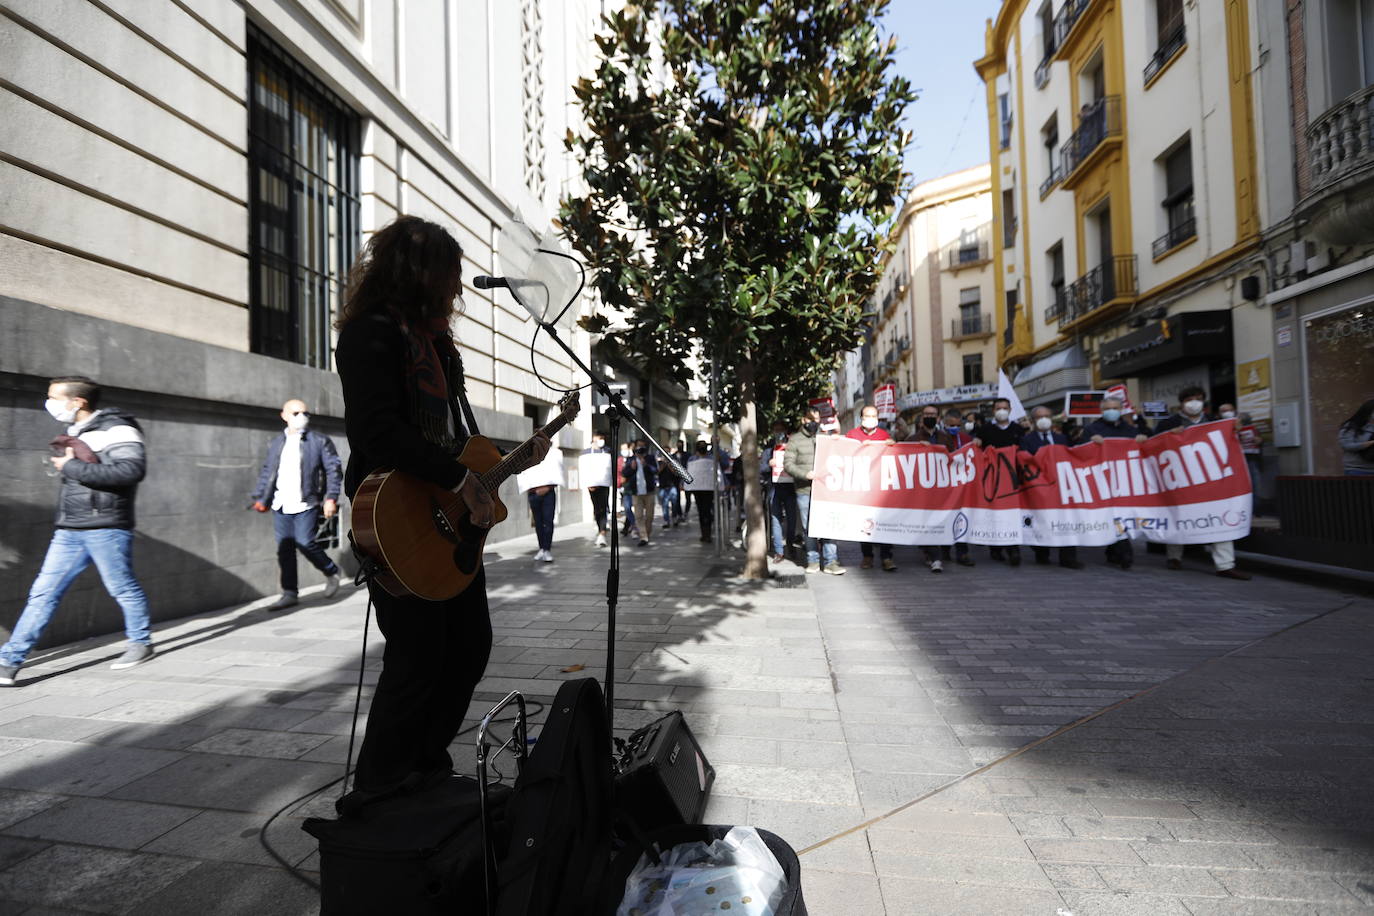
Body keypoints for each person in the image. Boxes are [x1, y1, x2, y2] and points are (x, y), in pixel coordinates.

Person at [333, 216, 551, 813]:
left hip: (448, 517)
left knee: (469, 645)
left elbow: (456, 441)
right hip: (395, 513)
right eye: (451, 277)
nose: (458, 291)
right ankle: (379, 781)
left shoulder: (438, 346)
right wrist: (458, 477)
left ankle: (425, 763)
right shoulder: (371, 334)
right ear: (420, 273)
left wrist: (501, 464)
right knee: (418, 653)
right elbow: (377, 431)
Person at [0, 376, 154, 686]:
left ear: (78, 402)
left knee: (121, 588)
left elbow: (131, 471)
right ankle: (9, 661)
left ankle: (141, 643)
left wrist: (70, 467)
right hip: (70, 527)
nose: (49, 403)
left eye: (54, 397)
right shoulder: (78, 430)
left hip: (106, 526)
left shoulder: (118, 429)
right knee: (43, 593)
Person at [250, 398, 344, 610]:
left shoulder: (319, 441)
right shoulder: (276, 443)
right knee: (285, 549)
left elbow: (334, 470)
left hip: (306, 502)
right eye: (295, 413)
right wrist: (261, 498)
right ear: (283, 415)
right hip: (280, 504)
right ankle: (290, 592)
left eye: (305, 413)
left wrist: (331, 498)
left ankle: (331, 570)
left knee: (305, 541)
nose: (301, 417)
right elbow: (268, 471)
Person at [1152, 386, 1250, 579]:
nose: (1194, 403)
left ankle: (1225, 564)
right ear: (1181, 403)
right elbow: (1153, 445)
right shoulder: (1168, 424)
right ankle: (1174, 556)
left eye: (1198, 399)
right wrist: (1169, 436)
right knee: (1178, 516)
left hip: (1211, 479)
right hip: (1181, 480)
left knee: (1219, 518)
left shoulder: (1215, 422)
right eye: (1189, 399)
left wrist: (1235, 430)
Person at [1083, 396, 1149, 570]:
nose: (1111, 411)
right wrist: (1090, 443)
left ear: (1121, 410)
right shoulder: (1091, 429)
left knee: (1121, 514)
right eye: (1107, 408)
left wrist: (1143, 438)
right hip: (1102, 480)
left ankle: (1122, 552)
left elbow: (1147, 444)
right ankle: (1119, 551)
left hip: (1125, 480)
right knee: (1112, 515)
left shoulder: (1130, 429)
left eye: (1115, 408)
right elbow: (1080, 452)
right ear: (1102, 411)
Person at [784, 405, 844, 574]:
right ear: (804, 420)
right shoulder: (795, 440)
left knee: (829, 525)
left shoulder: (825, 438)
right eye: (811, 419)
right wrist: (805, 474)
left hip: (825, 491)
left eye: (817, 420)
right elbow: (788, 464)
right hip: (804, 491)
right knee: (808, 527)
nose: (814, 423)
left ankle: (831, 562)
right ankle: (812, 561)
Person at [1022, 406, 1083, 570]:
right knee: (1042, 521)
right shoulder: (1027, 440)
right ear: (1033, 421)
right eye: (1040, 417)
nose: (1044, 419)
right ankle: (1042, 553)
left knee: (1067, 521)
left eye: (1047, 416)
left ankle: (1068, 558)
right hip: (1040, 489)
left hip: (1062, 488)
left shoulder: (1062, 438)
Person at [907, 404, 959, 573]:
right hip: (922, 489)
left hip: (942, 487)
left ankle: (940, 552)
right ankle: (934, 556)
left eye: (933, 414)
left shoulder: (945, 438)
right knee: (926, 521)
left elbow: (953, 458)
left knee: (941, 520)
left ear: (938, 418)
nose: (929, 416)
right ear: (922, 418)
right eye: (926, 414)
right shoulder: (913, 439)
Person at [974, 397, 1025, 566]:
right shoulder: (985, 429)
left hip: (1013, 479)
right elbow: (978, 450)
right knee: (995, 513)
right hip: (993, 479)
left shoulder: (1018, 429)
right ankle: (995, 548)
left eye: (1004, 407)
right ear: (993, 411)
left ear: (1010, 410)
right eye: (998, 408)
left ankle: (1013, 549)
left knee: (1012, 513)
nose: (1001, 410)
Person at [847, 405, 896, 571]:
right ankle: (867, 556)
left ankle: (887, 557)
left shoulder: (884, 435)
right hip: (862, 488)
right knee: (865, 523)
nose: (871, 418)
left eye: (874, 415)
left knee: (884, 521)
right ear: (861, 418)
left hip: (880, 487)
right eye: (867, 416)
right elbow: (844, 455)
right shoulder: (852, 435)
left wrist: (892, 446)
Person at [518, 443, 563, 563]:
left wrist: (548, 487)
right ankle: (541, 548)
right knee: (538, 522)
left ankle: (547, 549)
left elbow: (558, 471)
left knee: (548, 521)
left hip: (549, 492)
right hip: (533, 493)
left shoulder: (554, 454)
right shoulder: (528, 452)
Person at [765, 421, 798, 562]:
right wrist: (769, 464)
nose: (778, 432)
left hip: (791, 488)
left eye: (781, 430)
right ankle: (779, 551)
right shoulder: (768, 448)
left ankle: (790, 544)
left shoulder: (793, 446)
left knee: (792, 520)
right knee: (775, 519)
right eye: (776, 430)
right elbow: (762, 468)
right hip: (775, 488)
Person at [621, 441, 658, 547]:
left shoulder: (650, 458)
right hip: (636, 492)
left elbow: (655, 470)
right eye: (638, 447)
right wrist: (631, 468)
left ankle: (647, 533)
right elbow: (624, 473)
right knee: (638, 516)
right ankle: (643, 537)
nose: (640, 449)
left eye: (642, 446)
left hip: (649, 491)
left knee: (650, 516)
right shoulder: (630, 459)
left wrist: (646, 465)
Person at [580, 433, 613, 547]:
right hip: (591, 486)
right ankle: (600, 529)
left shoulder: (607, 451)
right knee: (596, 508)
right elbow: (585, 469)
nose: (600, 441)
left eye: (602, 438)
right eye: (598, 439)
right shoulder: (586, 453)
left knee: (603, 507)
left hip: (603, 486)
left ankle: (602, 533)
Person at [685, 441, 718, 542]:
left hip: (708, 488)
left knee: (707, 510)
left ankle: (707, 533)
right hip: (697, 489)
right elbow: (688, 472)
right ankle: (704, 533)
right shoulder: (692, 459)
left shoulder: (712, 458)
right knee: (701, 511)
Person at [1338, 399, 1374, 476]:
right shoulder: (1352, 425)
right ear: (1369, 411)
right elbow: (1347, 445)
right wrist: (1370, 443)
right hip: (1356, 470)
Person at [1237, 414, 1263, 487]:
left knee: (1254, 482)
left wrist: (1258, 440)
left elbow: (1260, 441)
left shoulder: (1255, 429)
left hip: (1252, 459)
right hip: (1241, 460)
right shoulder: (1235, 431)